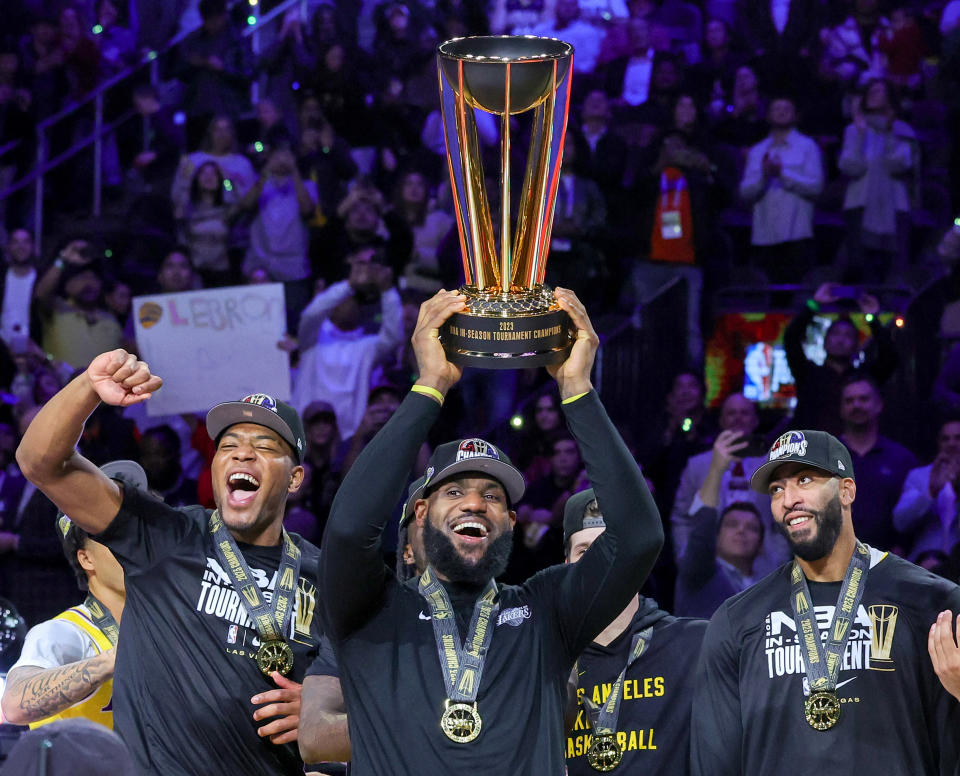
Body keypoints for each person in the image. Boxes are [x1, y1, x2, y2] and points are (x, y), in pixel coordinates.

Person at [304, 287, 663, 774]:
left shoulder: (546, 609)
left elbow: (639, 536)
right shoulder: (371, 607)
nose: (475, 501)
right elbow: (348, 530)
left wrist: (577, 388)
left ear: (511, 523)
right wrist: (429, 385)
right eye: (454, 493)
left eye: (493, 497)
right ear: (422, 512)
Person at [15, 354, 330, 774]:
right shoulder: (165, 536)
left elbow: (381, 686)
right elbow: (41, 462)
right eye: (229, 446)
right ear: (214, 465)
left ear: (295, 479)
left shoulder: (326, 574)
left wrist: (327, 708)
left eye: (265, 447)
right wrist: (88, 386)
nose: (242, 455)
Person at [691, 429, 960, 775]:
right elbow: (713, 762)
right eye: (777, 489)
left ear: (846, 490)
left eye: (804, 480)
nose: (788, 500)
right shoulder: (737, 621)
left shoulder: (932, 604)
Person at [563, 489, 707, 774]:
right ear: (566, 565)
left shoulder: (697, 645)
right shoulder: (543, 658)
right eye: (584, 551)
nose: (598, 562)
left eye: (610, 547)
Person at [0, 461, 147, 729]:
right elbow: (15, 704)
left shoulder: (169, 621)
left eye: (137, 532)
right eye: (115, 537)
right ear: (86, 559)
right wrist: (111, 660)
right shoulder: (65, 633)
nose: (134, 545)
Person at [671, 394, 788, 576]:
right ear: (722, 421)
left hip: (763, 569)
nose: (738, 418)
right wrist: (685, 557)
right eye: (731, 413)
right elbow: (681, 518)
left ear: (755, 420)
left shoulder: (773, 467)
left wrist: (778, 562)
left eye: (744, 413)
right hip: (707, 567)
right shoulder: (697, 465)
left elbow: (783, 521)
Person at [783, 283, 898, 436]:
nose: (840, 340)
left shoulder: (864, 379)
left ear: (857, 346)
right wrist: (814, 304)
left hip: (854, 454)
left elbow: (889, 356)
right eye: (835, 334)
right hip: (812, 453)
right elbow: (791, 338)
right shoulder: (808, 373)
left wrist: (872, 318)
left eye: (848, 336)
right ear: (824, 343)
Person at [674, 441, 768, 617]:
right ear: (715, 537)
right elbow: (703, 528)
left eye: (752, 528)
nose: (741, 530)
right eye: (732, 524)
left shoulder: (770, 586)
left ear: (761, 543)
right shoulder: (700, 572)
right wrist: (716, 469)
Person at [739, 95, 823, 284]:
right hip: (764, 237)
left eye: (787, 108)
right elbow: (745, 192)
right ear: (768, 115)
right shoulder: (757, 151)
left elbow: (816, 187)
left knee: (796, 296)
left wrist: (782, 174)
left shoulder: (808, 147)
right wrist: (764, 175)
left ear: (795, 115)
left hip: (797, 236)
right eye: (777, 108)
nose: (782, 112)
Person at [894, 418, 960, 561]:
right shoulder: (920, 476)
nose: (952, 443)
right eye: (945, 439)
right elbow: (900, 522)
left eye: (957, 438)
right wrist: (930, 492)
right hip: (926, 566)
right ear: (939, 443)